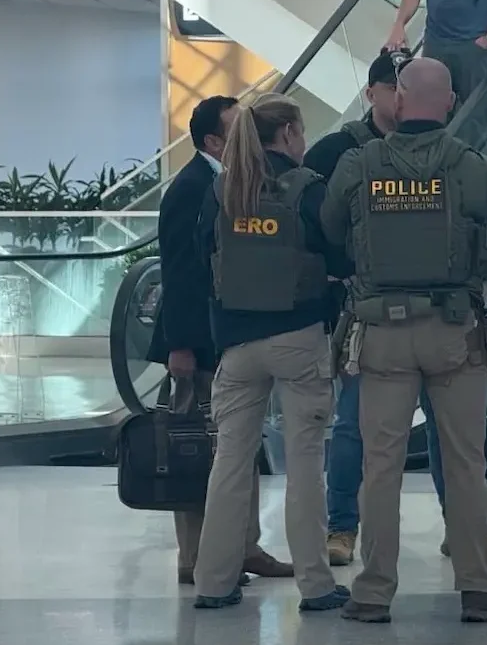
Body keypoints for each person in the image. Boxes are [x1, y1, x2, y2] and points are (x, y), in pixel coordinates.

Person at [322, 57, 487, 624]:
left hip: (381, 333)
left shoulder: (359, 164)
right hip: (457, 332)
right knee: (464, 462)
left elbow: (332, 229)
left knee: (380, 465)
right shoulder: (474, 167)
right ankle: (477, 589)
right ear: (451, 102)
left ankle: (373, 591)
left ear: (400, 98)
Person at [191, 93, 353, 611]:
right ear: (287, 134)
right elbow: (340, 254)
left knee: (230, 463)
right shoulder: (308, 190)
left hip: (235, 345)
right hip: (299, 338)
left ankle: (214, 582)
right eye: (301, 132)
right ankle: (316, 584)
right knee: (305, 463)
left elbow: (204, 256)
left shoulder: (223, 189)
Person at [146, 95, 293, 587]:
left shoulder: (233, 185)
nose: (247, 138)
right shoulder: (192, 188)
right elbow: (180, 273)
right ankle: (195, 555)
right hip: (198, 344)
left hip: (228, 339)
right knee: (195, 446)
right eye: (236, 129)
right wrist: (181, 345)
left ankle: (242, 546)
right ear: (213, 140)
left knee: (234, 446)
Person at [385, 0, 487, 107]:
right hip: (435, 41)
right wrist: (399, 24)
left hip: (473, 43)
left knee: (476, 110)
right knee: (430, 105)